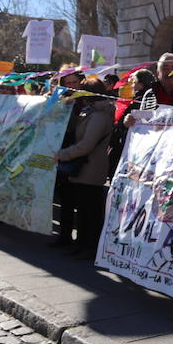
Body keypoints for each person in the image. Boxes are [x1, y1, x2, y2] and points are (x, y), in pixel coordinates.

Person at [55, 77, 114, 260]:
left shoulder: (98, 115)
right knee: (83, 209)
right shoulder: (92, 113)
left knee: (90, 211)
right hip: (86, 167)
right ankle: (82, 243)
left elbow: (86, 145)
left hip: (91, 167)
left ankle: (89, 246)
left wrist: (62, 154)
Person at [109, 69, 156, 176]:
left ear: (141, 84)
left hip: (131, 145)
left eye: (134, 82)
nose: (132, 86)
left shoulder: (141, 100)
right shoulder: (142, 98)